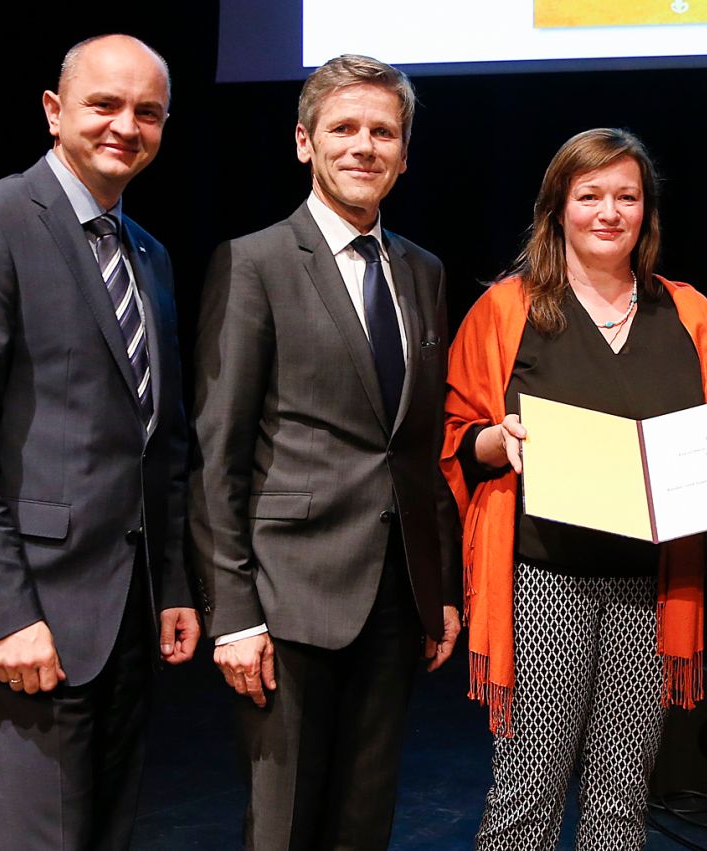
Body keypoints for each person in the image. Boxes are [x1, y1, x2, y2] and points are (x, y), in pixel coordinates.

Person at [0, 34, 200, 850]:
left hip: (126, 624)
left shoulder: (150, 255)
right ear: (53, 111)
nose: (125, 126)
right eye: (104, 105)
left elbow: (161, 444)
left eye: (147, 111)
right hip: (29, 621)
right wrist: (2, 614)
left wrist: (171, 583)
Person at [443, 128, 707, 850]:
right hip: (544, 577)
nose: (609, 211)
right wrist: (497, 439)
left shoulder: (690, 313)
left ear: (647, 211)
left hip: (650, 583)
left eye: (626, 196)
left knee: (621, 797)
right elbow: (456, 433)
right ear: (558, 209)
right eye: (590, 196)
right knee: (528, 790)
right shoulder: (508, 309)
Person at [189, 53, 461, 851]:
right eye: (343, 128)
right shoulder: (255, 261)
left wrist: (437, 587)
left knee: (363, 824)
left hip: (393, 600)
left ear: (405, 153)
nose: (364, 146)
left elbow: (417, 446)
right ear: (304, 142)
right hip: (287, 596)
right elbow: (218, 452)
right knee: (284, 826)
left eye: (383, 131)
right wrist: (232, 613)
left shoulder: (423, 271)